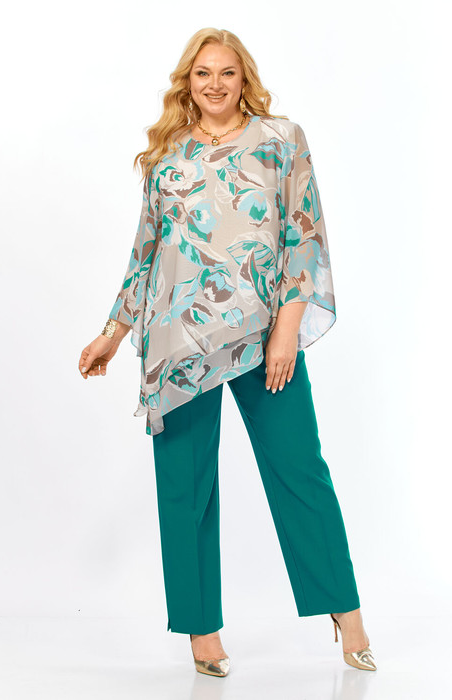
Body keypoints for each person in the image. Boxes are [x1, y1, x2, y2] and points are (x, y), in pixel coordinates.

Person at [78, 27, 376, 677]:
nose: (215, 84)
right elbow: (146, 251)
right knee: (183, 488)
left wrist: (286, 330)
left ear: (245, 80)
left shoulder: (280, 140)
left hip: (260, 334)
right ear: (187, 83)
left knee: (299, 469)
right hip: (177, 344)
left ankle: (346, 612)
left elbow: (303, 238)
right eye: (203, 73)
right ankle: (202, 632)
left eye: (227, 73)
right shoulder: (167, 156)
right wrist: (113, 331)